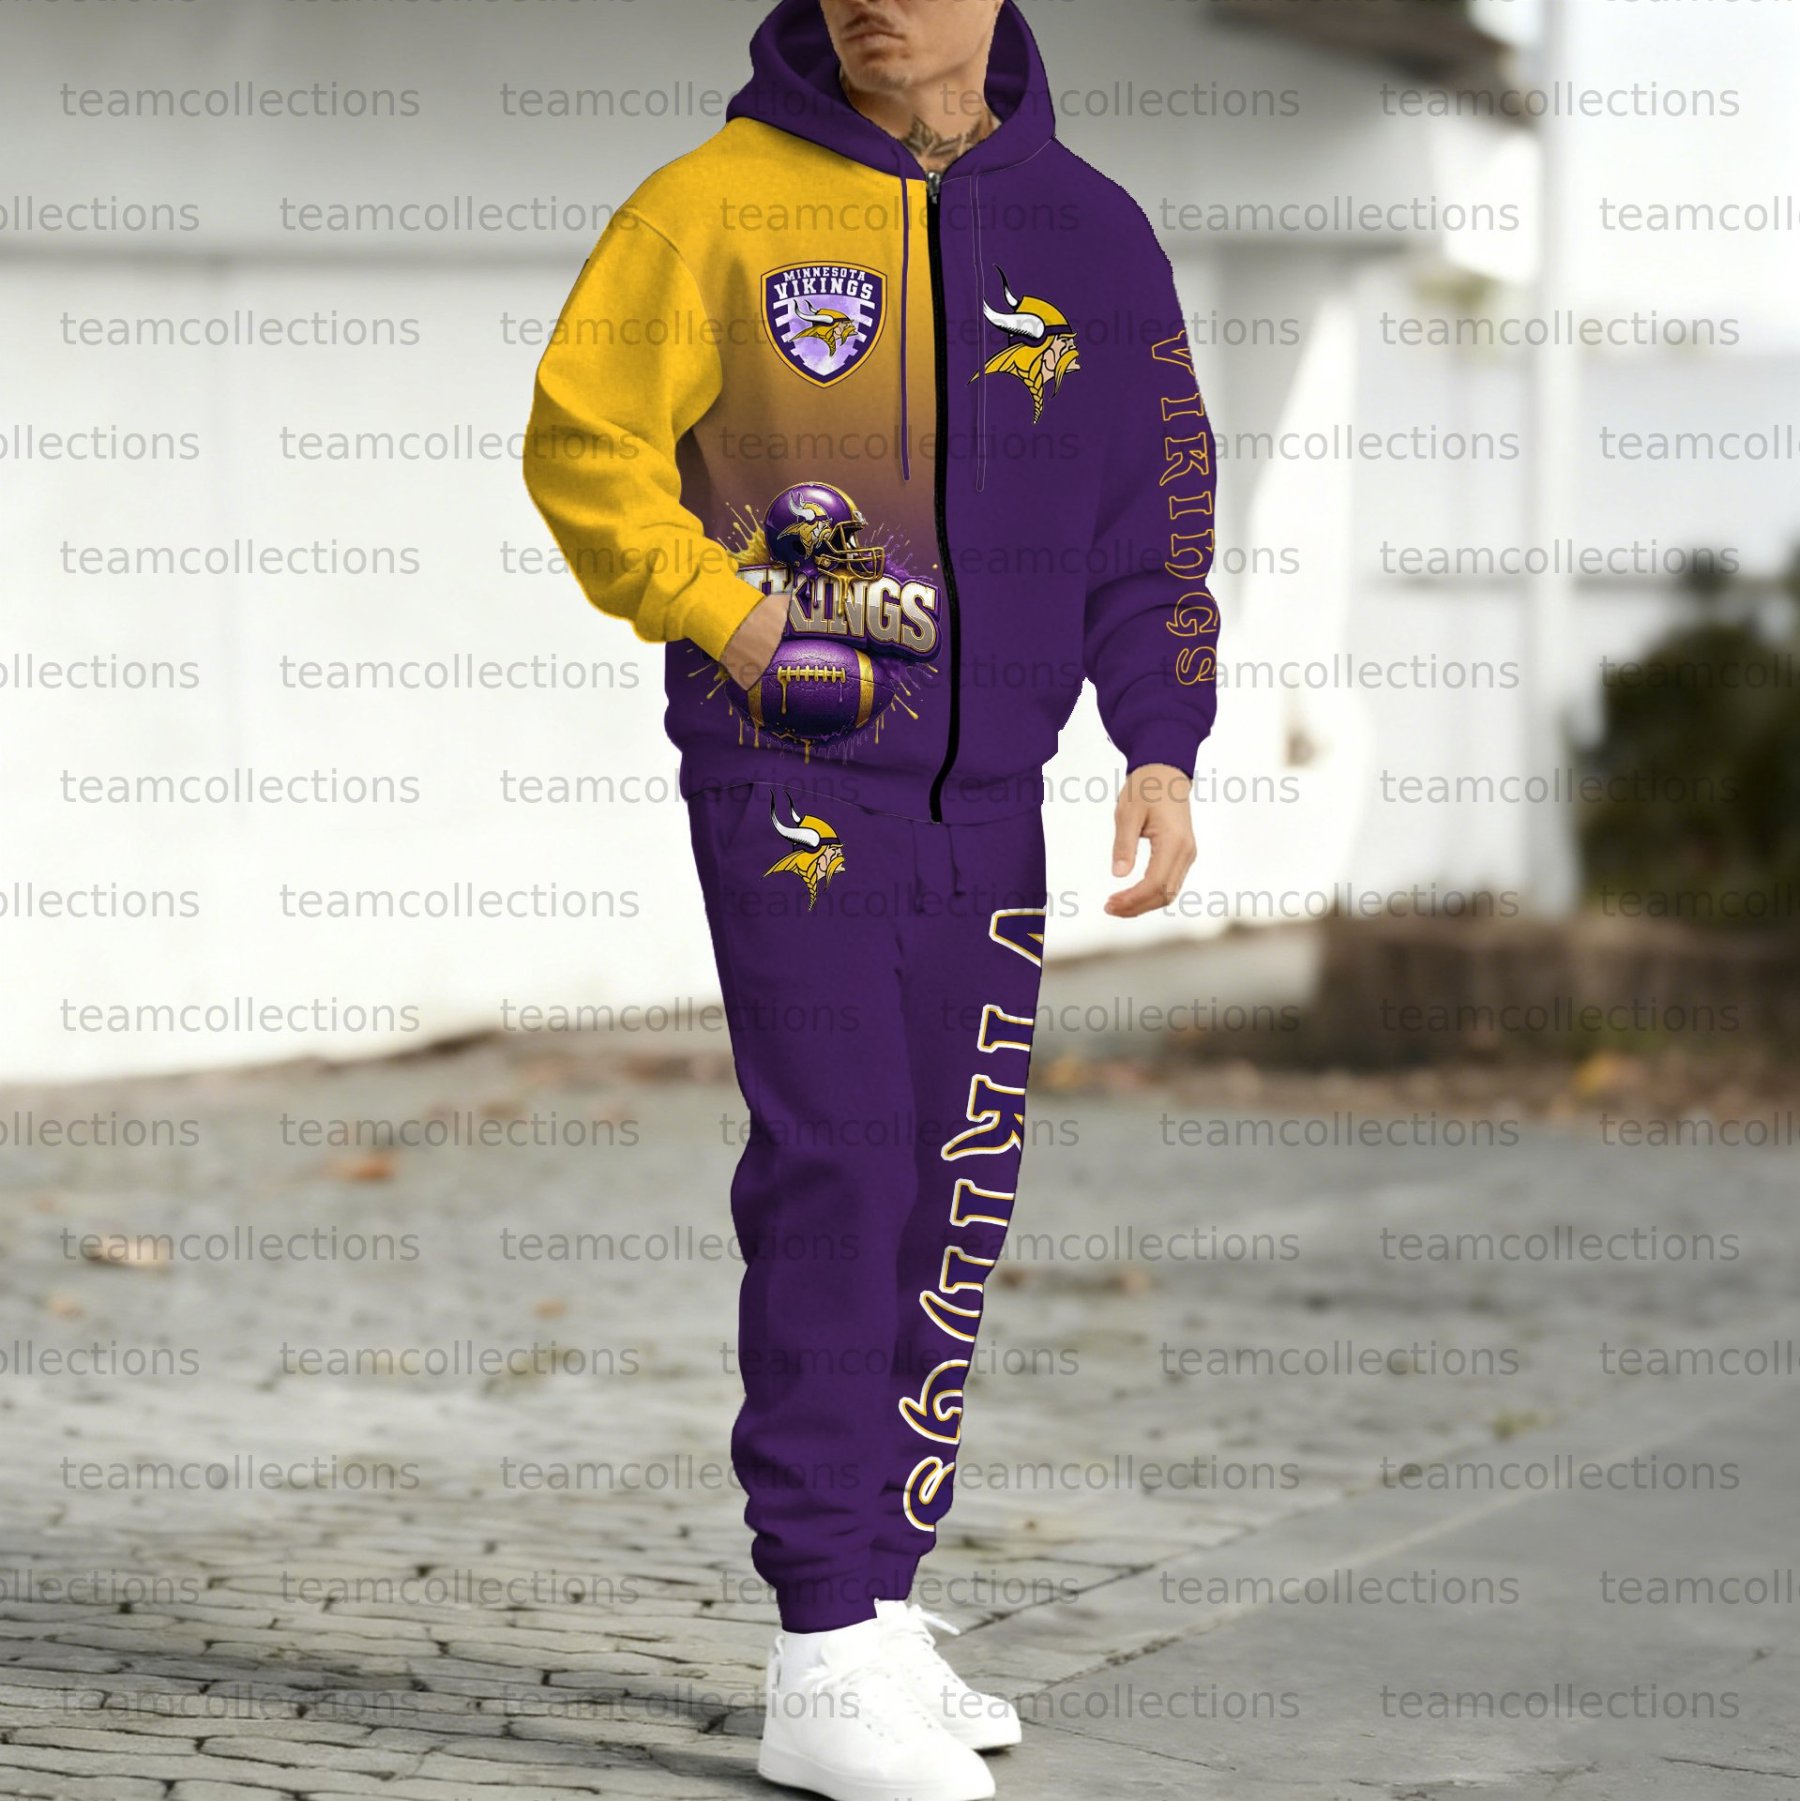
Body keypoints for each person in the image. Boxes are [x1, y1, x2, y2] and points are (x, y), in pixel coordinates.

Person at [523, 2, 1218, 1794]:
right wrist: (736, 620)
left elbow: (1152, 512)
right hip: (794, 783)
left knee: (951, 1186)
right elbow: (584, 445)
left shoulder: (1093, 234)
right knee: (838, 1162)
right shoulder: (709, 208)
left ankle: (885, 1603)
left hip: (993, 801)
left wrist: (1160, 739)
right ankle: (821, 1641)